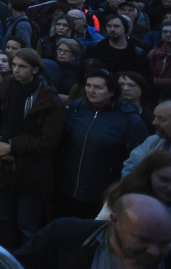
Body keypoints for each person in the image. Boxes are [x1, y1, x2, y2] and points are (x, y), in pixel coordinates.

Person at [17, 193, 171, 269]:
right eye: (143, 240)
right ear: (115, 221)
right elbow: (21, 268)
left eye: (164, 243)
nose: (154, 251)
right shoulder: (67, 235)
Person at [0, 49, 65, 248]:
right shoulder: (6, 89)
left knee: (27, 223)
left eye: (22, 66)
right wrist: (0, 144)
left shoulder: (49, 100)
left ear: (35, 69)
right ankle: (3, 263)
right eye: (14, 65)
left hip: (32, 170)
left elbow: (48, 141)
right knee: (4, 217)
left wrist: (12, 147)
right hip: (5, 166)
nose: (16, 70)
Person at [55, 69, 150, 219]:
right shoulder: (77, 106)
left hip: (100, 194)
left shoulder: (130, 120)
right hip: (65, 187)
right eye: (88, 85)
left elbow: (138, 162)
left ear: (112, 92)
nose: (91, 91)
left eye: (98, 87)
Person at [98, 151, 171, 220]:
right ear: (148, 175)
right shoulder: (123, 192)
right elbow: (100, 223)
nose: (169, 188)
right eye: (164, 180)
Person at [85, 15, 153, 84]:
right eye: (109, 26)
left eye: (117, 26)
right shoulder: (94, 48)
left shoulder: (138, 54)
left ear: (125, 28)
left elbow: (145, 81)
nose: (112, 29)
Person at [122, 100, 171, 176]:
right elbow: (131, 166)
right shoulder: (152, 141)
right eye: (155, 117)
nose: (154, 122)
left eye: (161, 119)